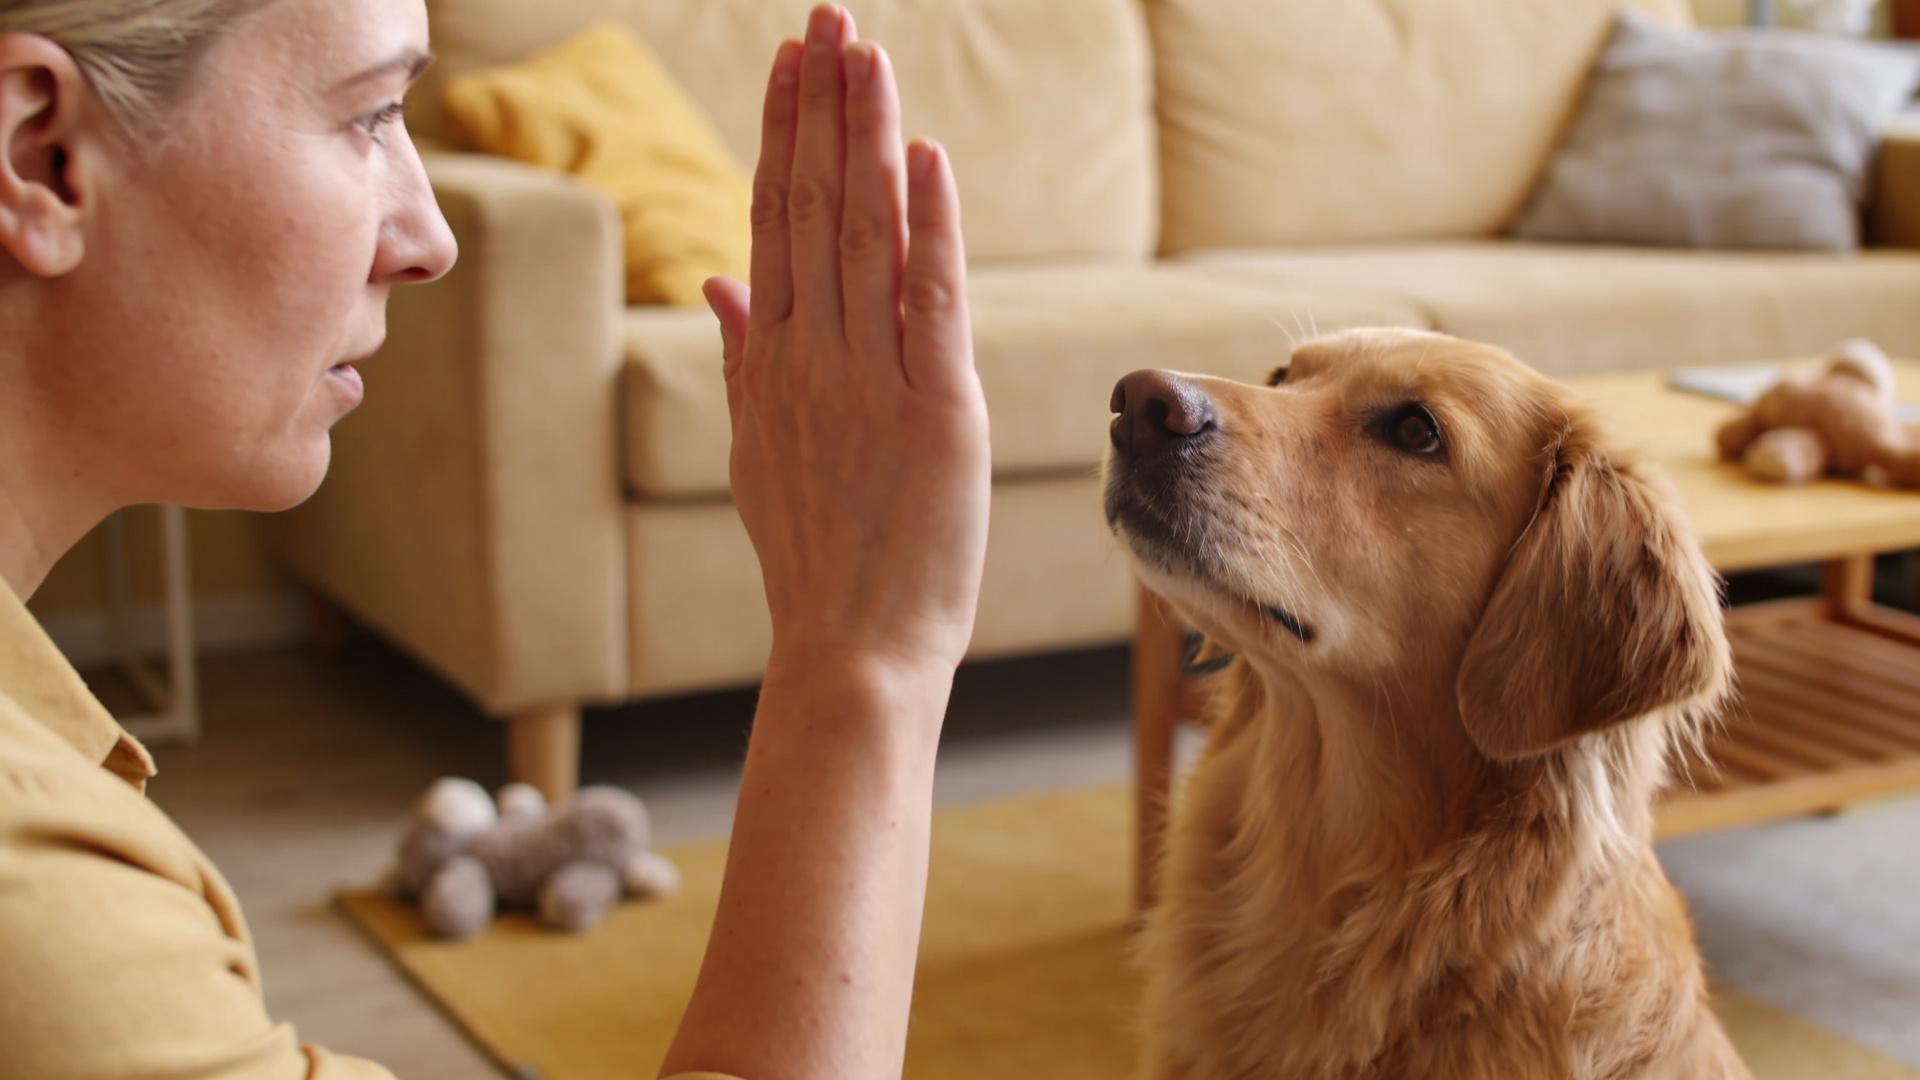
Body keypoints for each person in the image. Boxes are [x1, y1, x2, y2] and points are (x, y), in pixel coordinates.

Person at [0, 0, 987, 1076]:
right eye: (370, 116)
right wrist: (863, 654)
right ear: (41, 156)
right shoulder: (39, 895)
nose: (431, 239)